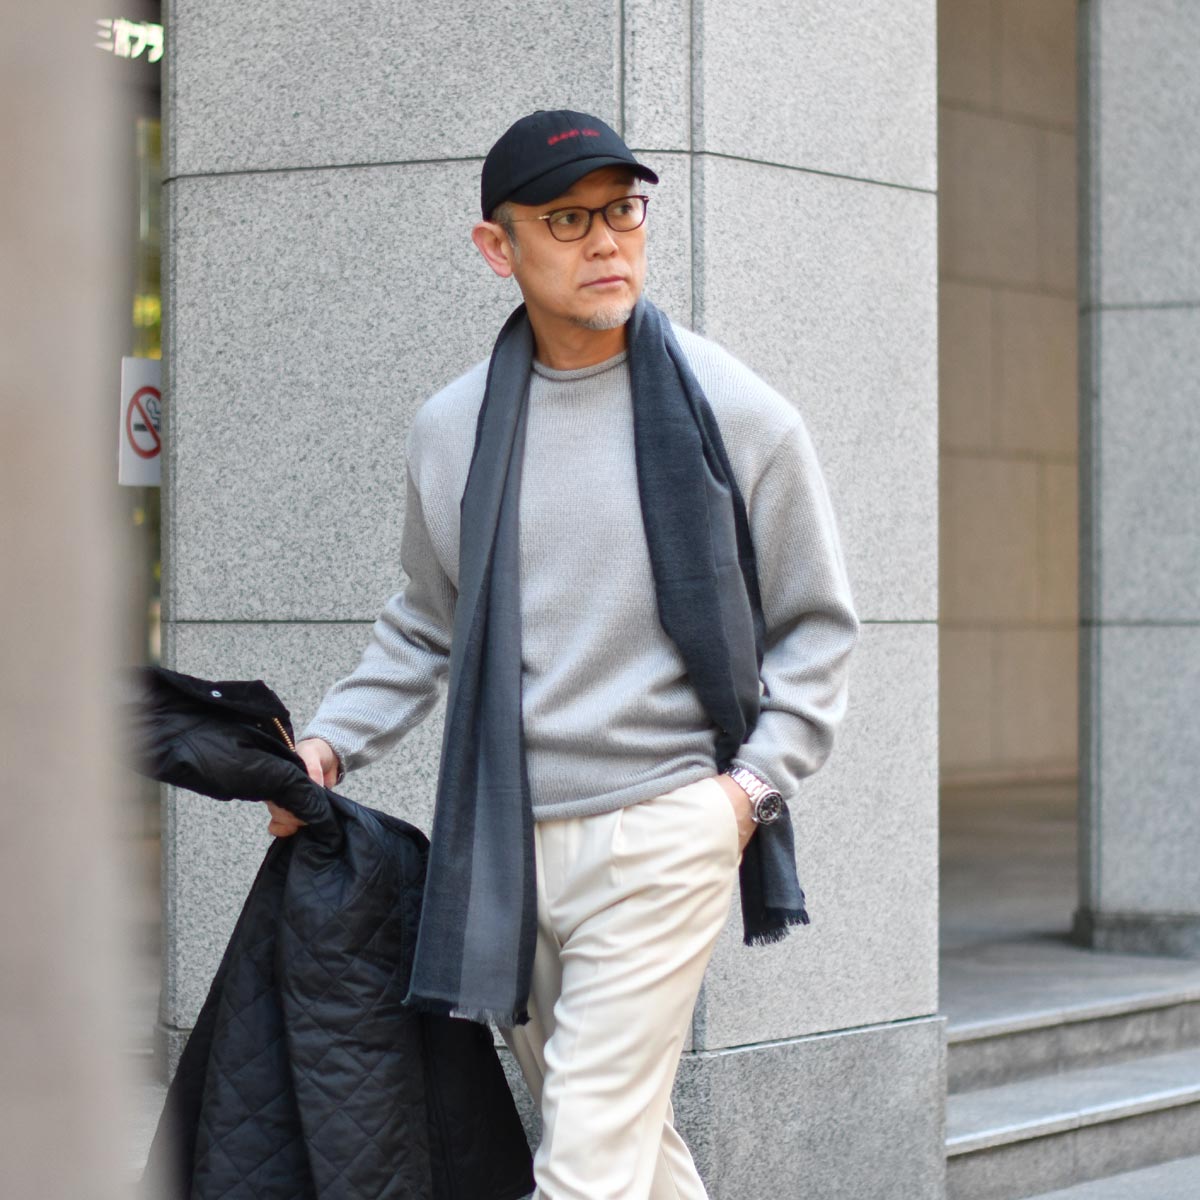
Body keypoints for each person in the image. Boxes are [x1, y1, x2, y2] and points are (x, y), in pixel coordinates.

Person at [266, 109, 860, 1200]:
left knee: (585, 1161)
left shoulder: (737, 413)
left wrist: (746, 795)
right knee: (622, 1144)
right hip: (507, 842)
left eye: (622, 212)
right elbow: (427, 621)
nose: (606, 243)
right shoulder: (453, 427)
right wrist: (330, 744)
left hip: (667, 831)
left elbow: (817, 624)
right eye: (567, 220)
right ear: (498, 247)